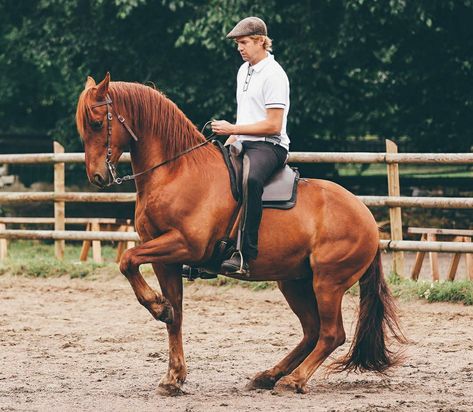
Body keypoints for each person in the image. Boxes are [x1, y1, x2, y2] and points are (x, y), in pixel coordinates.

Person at [211, 16, 290, 274]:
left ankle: (245, 255)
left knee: (251, 180)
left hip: (270, 146)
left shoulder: (274, 75)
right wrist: (229, 139)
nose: (240, 48)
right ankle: (208, 252)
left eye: (244, 42)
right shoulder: (243, 71)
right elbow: (247, 114)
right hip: (243, 140)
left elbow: (273, 125)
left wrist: (234, 129)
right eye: (237, 44)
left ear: (260, 41)